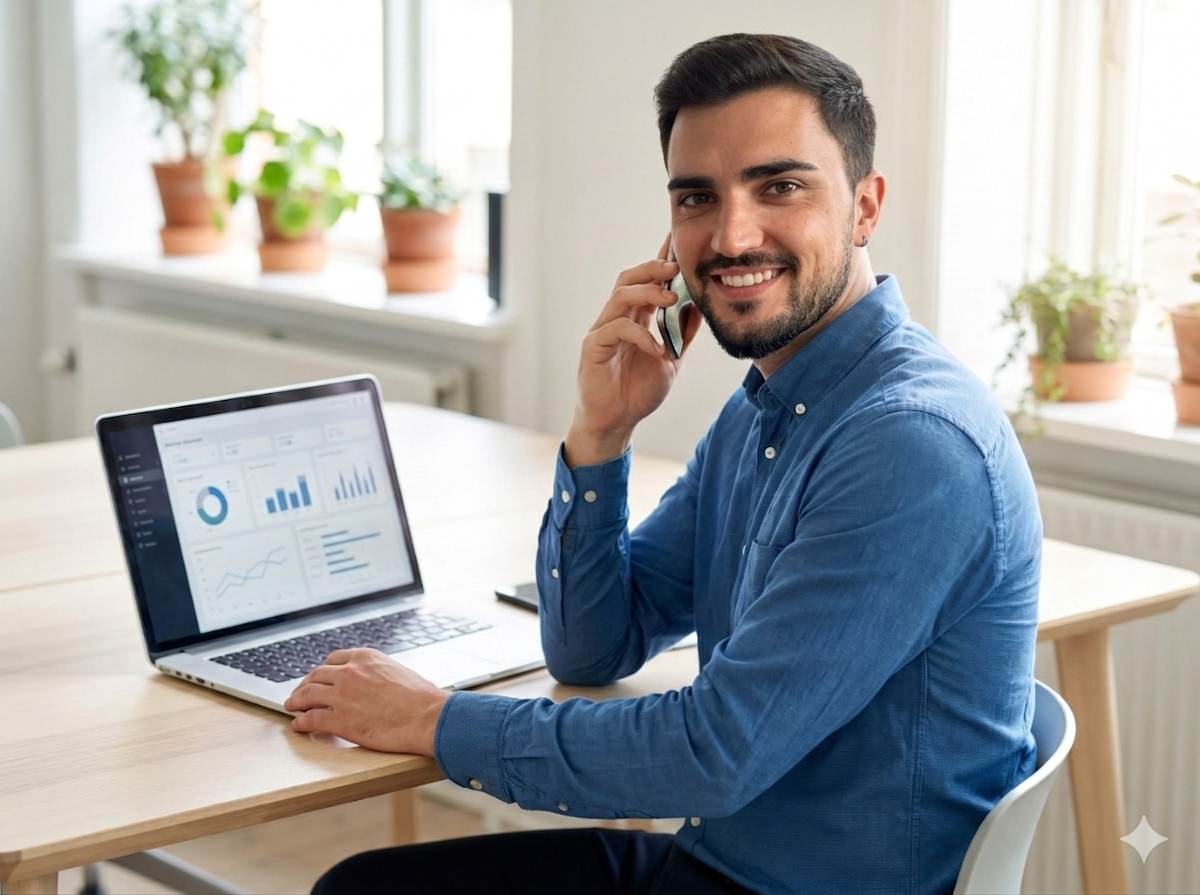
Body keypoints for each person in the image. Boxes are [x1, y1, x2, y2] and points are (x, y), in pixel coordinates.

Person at [285, 32, 1041, 895]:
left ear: (865, 207)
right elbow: (593, 645)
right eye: (696, 198)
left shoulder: (909, 445)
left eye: (780, 186)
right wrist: (599, 436)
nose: (731, 234)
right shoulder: (768, 407)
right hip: (718, 868)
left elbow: (714, 753)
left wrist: (434, 718)